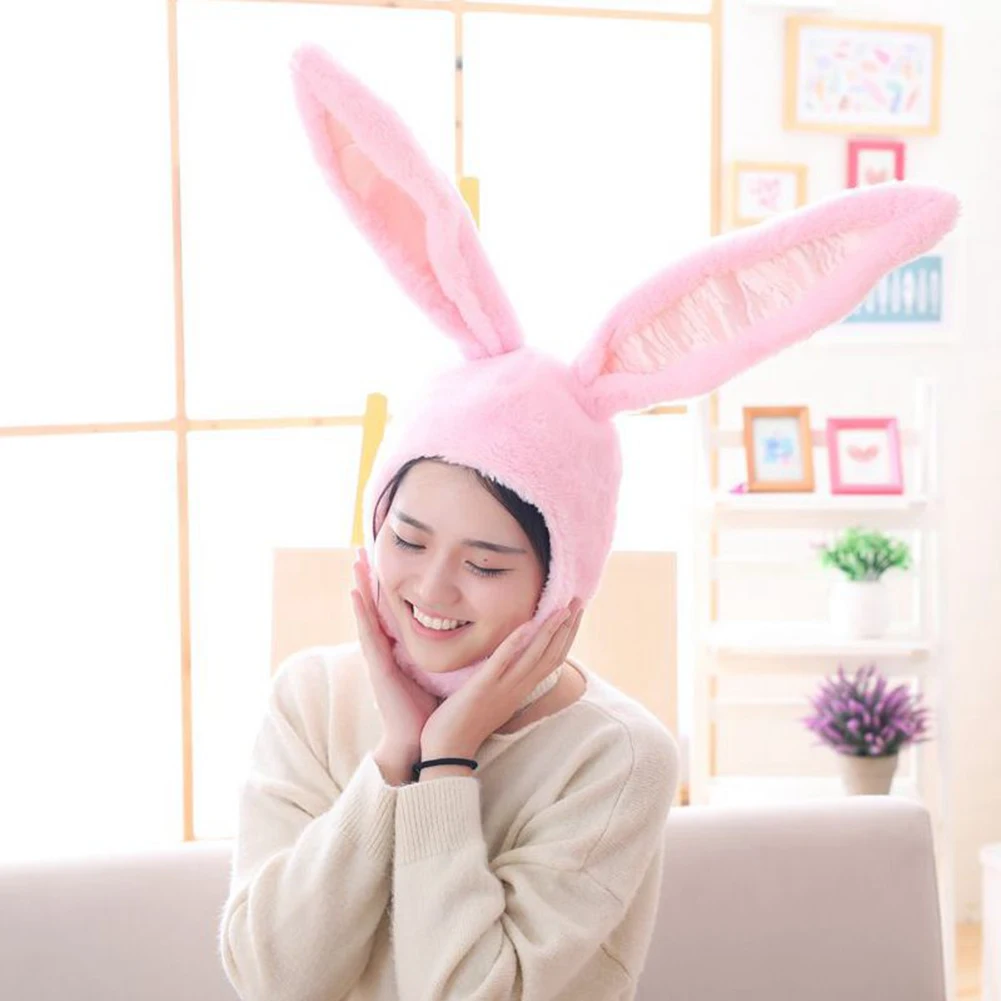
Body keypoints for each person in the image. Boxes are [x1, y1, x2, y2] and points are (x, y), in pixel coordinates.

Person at [218, 42, 958, 1001]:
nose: (431, 589)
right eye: (406, 539)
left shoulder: (619, 755)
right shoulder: (311, 699)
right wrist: (393, 755)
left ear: (559, 580)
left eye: (486, 563)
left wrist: (447, 759)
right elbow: (272, 978)